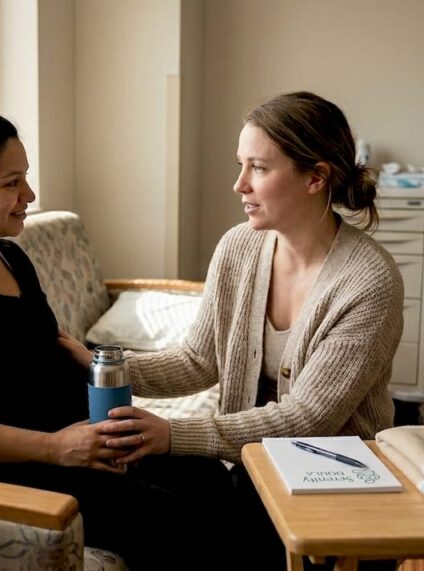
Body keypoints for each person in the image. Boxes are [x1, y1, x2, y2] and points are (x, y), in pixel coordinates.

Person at [0, 97, 233, 569]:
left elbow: (45, 351)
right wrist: (55, 447)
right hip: (13, 469)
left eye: (25, 176)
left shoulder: (9, 256)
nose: (31, 195)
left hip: (75, 445)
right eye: (12, 182)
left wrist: (108, 427)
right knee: (173, 522)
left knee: (209, 476)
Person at [60, 91, 405, 565]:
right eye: (241, 165)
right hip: (255, 470)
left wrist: (172, 433)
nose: (239, 184)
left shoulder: (369, 281)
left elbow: (309, 419)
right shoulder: (238, 247)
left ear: (315, 177)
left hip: (335, 486)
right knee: (133, 482)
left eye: (258, 168)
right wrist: (106, 365)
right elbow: (199, 360)